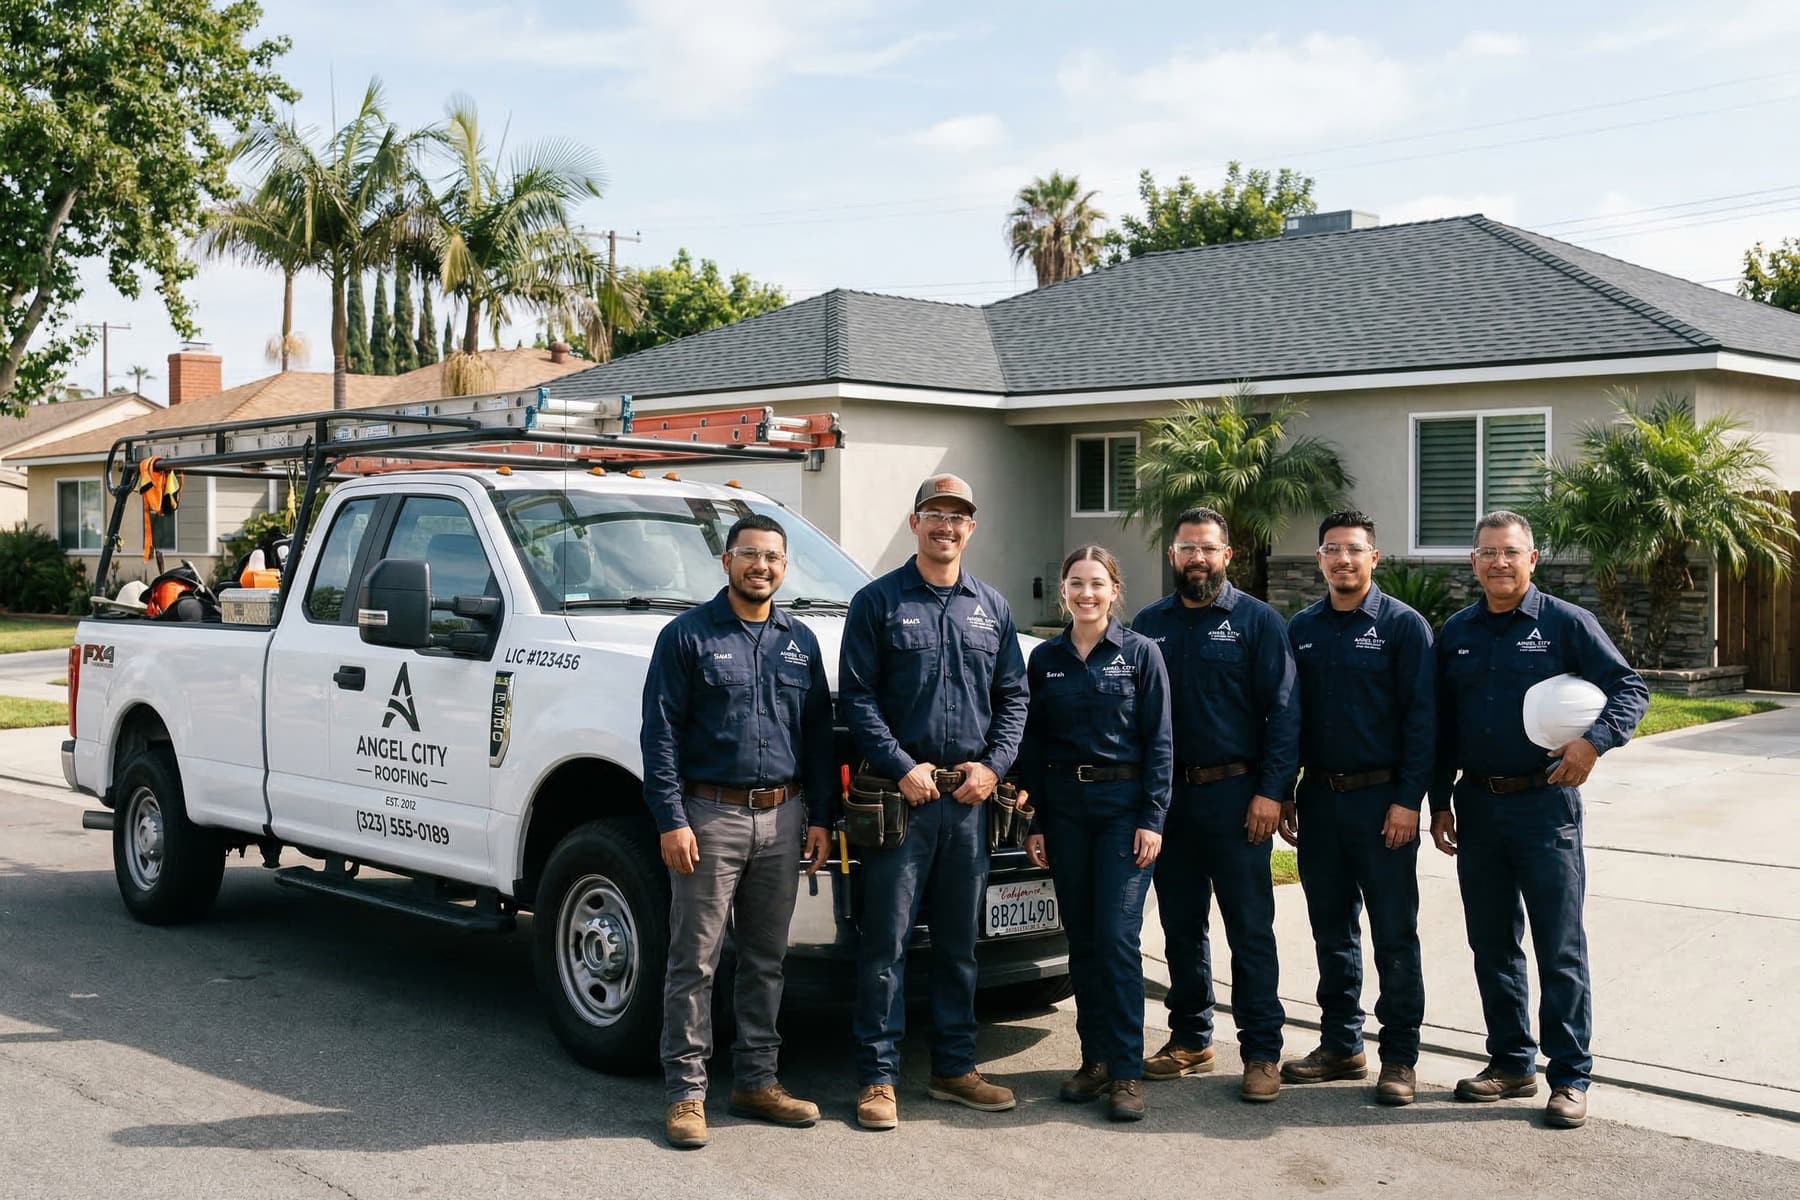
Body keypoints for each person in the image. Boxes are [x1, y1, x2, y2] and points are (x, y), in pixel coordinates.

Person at [1431, 510, 1648, 1130]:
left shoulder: (1565, 623)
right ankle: (1510, 1062)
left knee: (1559, 947)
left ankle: (1570, 1076)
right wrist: (1439, 799)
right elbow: (1445, 727)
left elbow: (1629, 688)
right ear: (1473, 563)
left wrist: (1594, 744)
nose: (1498, 562)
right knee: (1492, 942)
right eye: (1487, 553)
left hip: (1545, 806)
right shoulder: (1457, 632)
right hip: (1477, 804)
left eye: (1510, 552)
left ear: (1532, 559)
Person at [839, 473, 1030, 1131]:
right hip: (902, 805)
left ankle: (953, 1068)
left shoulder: (992, 607)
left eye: (959, 517)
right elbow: (857, 699)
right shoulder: (877, 603)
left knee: (958, 946)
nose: (947, 527)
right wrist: (900, 766)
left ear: (970, 528)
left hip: (969, 804)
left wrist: (994, 766)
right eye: (935, 515)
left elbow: (1014, 698)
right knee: (885, 944)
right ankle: (877, 1078)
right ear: (915, 522)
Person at [640, 513, 836, 1150]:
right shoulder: (687, 638)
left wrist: (821, 820)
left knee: (766, 960)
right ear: (726, 562)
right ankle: (686, 1094)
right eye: (750, 554)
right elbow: (660, 736)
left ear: (785, 567)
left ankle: (757, 1081)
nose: (762, 566)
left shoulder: (800, 643)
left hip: (784, 817)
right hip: (708, 816)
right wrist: (671, 818)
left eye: (774, 557)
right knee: (693, 960)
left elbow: (816, 738)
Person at [1131, 506, 1299, 1103]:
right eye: (1186, 548)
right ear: (1172, 556)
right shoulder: (1148, 625)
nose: (1196, 558)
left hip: (1238, 798)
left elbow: (1283, 715)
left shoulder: (1257, 622)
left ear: (1226, 555)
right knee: (1180, 925)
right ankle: (1191, 1037)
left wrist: (1271, 792)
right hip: (1169, 799)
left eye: (1207, 548)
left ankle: (1261, 1052)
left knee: (1250, 929)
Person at [1280, 510, 1434, 1106]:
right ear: (1319, 559)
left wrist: (1407, 802)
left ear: (1375, 557)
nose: (1343, 560)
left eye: (1354, 550)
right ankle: (1342, 1044)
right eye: (1331, 551)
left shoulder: (1404, 627)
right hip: (1320, 800)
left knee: (1395, 935)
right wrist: (1289, 788)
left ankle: (1399, 1056)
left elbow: (1424, 723)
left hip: (1383, 803)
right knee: (1331, 931)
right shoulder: (1303, 628)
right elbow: (1288, 718)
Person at [1020, 546, 1172, 1122]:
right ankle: (1096, 1061)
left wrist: (1152, 818)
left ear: (1114, 591)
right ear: (1064, 592)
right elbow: (1035, 746)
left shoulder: (1141, 654)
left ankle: (1128, 1071)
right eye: (1076, 584)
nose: (1086, 594)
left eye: (1097, 584)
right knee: (1081, 940)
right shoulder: (1046, 660)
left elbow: (1160, 742)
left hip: (1123, 812)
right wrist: (1036, 821)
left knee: (1114, 937)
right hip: (1065, 814)